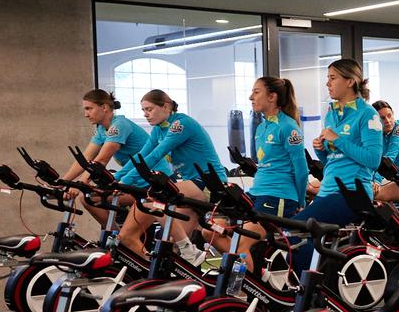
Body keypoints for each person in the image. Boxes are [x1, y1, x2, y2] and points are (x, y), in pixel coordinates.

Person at [288, 59, 384, 270]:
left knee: (295, 232)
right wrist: (321, 150)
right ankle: (312, 283)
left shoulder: (368, 114)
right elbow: (332, 161)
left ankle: (309, 286)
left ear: (350, 81)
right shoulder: (331, 113)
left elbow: (373, 160)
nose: (327, 84)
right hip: (329, 190)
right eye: (327, 79)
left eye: (333, 78)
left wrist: (338, 139)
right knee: (293, 235)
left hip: (352, 193)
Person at [209, 77, 308, 274]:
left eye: (256, 92)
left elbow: (302, 169)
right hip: (256, 193)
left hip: (278, 197)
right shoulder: (262, 127)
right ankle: (256, 276)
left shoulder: (288, 127)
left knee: (240, 246)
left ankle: (245, 294)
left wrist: (300, 201)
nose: (250, 97)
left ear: (272, 97)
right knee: (210, 231)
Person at [115, 90, 224, 264]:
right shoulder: (159, 130)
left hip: (209, 184)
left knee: (153, 199)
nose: (145, 114)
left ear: (166, 106)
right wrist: (117, 178)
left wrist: (124, 181)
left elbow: (156, 155)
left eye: (149, 109)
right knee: (171, 249)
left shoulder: (180, 124)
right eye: (143, 110)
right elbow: (141, 156)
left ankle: (191, 251)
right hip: (189, 184)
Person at [60, 89, 151, 227]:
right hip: (133, 180)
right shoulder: (102, 129)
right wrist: (62, 182)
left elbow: (101, 160)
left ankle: (119, 239)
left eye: (89, 109)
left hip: (149, 183)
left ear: (104, 107)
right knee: (89, 197)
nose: (86, 114)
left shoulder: (119, 125)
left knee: (90, 197)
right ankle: (117, 238)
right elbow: (85, 159)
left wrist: (80, 184)